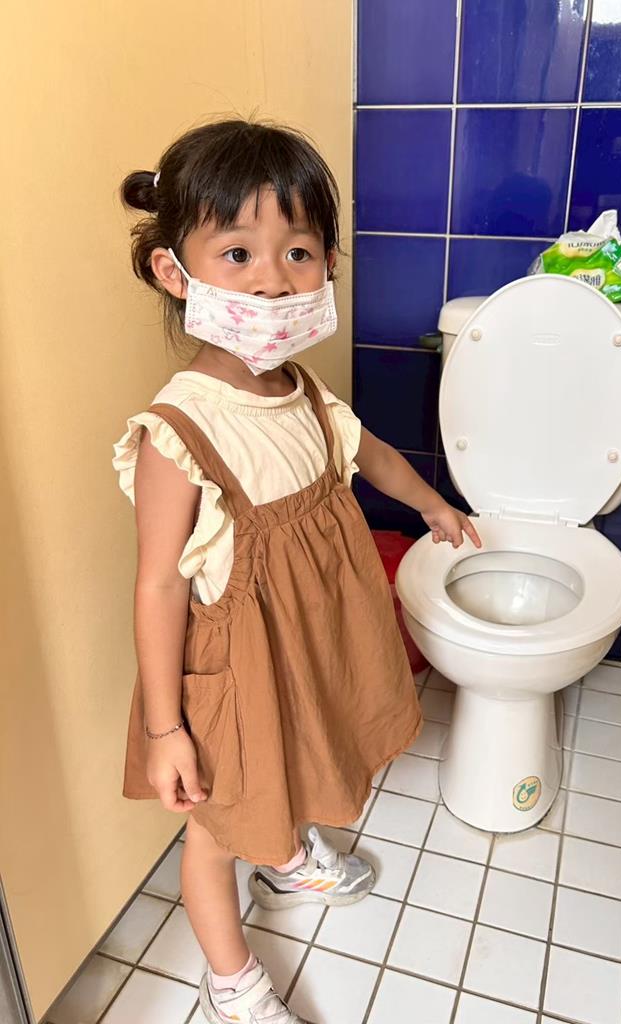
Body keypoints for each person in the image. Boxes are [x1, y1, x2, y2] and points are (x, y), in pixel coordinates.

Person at [113, 118, 481, 1024]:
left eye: (299, 252)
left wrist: (431, 504)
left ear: (329, 265)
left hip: (306, 644)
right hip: (233, 673)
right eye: (238, 253)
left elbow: (370, 452)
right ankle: (232, 982)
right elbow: (159, 584)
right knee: (216, 827)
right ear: (176, 272)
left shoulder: (305, 392)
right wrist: (165, 728)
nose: (274, 279)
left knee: (303, 754)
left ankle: (283, 861)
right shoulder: (179, 432)